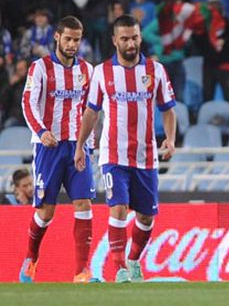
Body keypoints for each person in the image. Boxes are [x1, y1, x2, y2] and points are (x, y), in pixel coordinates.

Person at [74, 15, 177, 283]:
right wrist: (80, 145)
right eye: (125, 38)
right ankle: (119, 268)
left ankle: (133, 261)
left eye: (134, 37)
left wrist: (170, 138)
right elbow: (91, 113)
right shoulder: (101, 72)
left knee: (146, 217)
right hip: (113, 154)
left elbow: (168, 109)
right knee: (118, 207)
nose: (130, 43)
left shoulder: (156, 70)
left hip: (146, 156)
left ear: (140, 37)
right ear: (114, 40)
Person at [19, 16, 97, 283]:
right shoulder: (39, 68)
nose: (73, 44)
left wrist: (90, 143)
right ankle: (31, 258)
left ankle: (81, 271)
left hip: (77, 147)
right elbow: (28, 103)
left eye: (77, 40)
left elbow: (92, 109)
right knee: (46, 211)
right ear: (57, 37)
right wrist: (41, 131)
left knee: (84, 203)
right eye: (68, 39)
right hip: (48, 147)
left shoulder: (87, 70)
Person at [1, 59, 29, 127]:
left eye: (21, 69)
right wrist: (10, 85)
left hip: (29, 118)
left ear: (28, 69)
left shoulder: (33, 84)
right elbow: (3, 101)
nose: (18, 72)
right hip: (15, 117)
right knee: (8, 124)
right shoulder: (13, 84)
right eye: (17, 70)